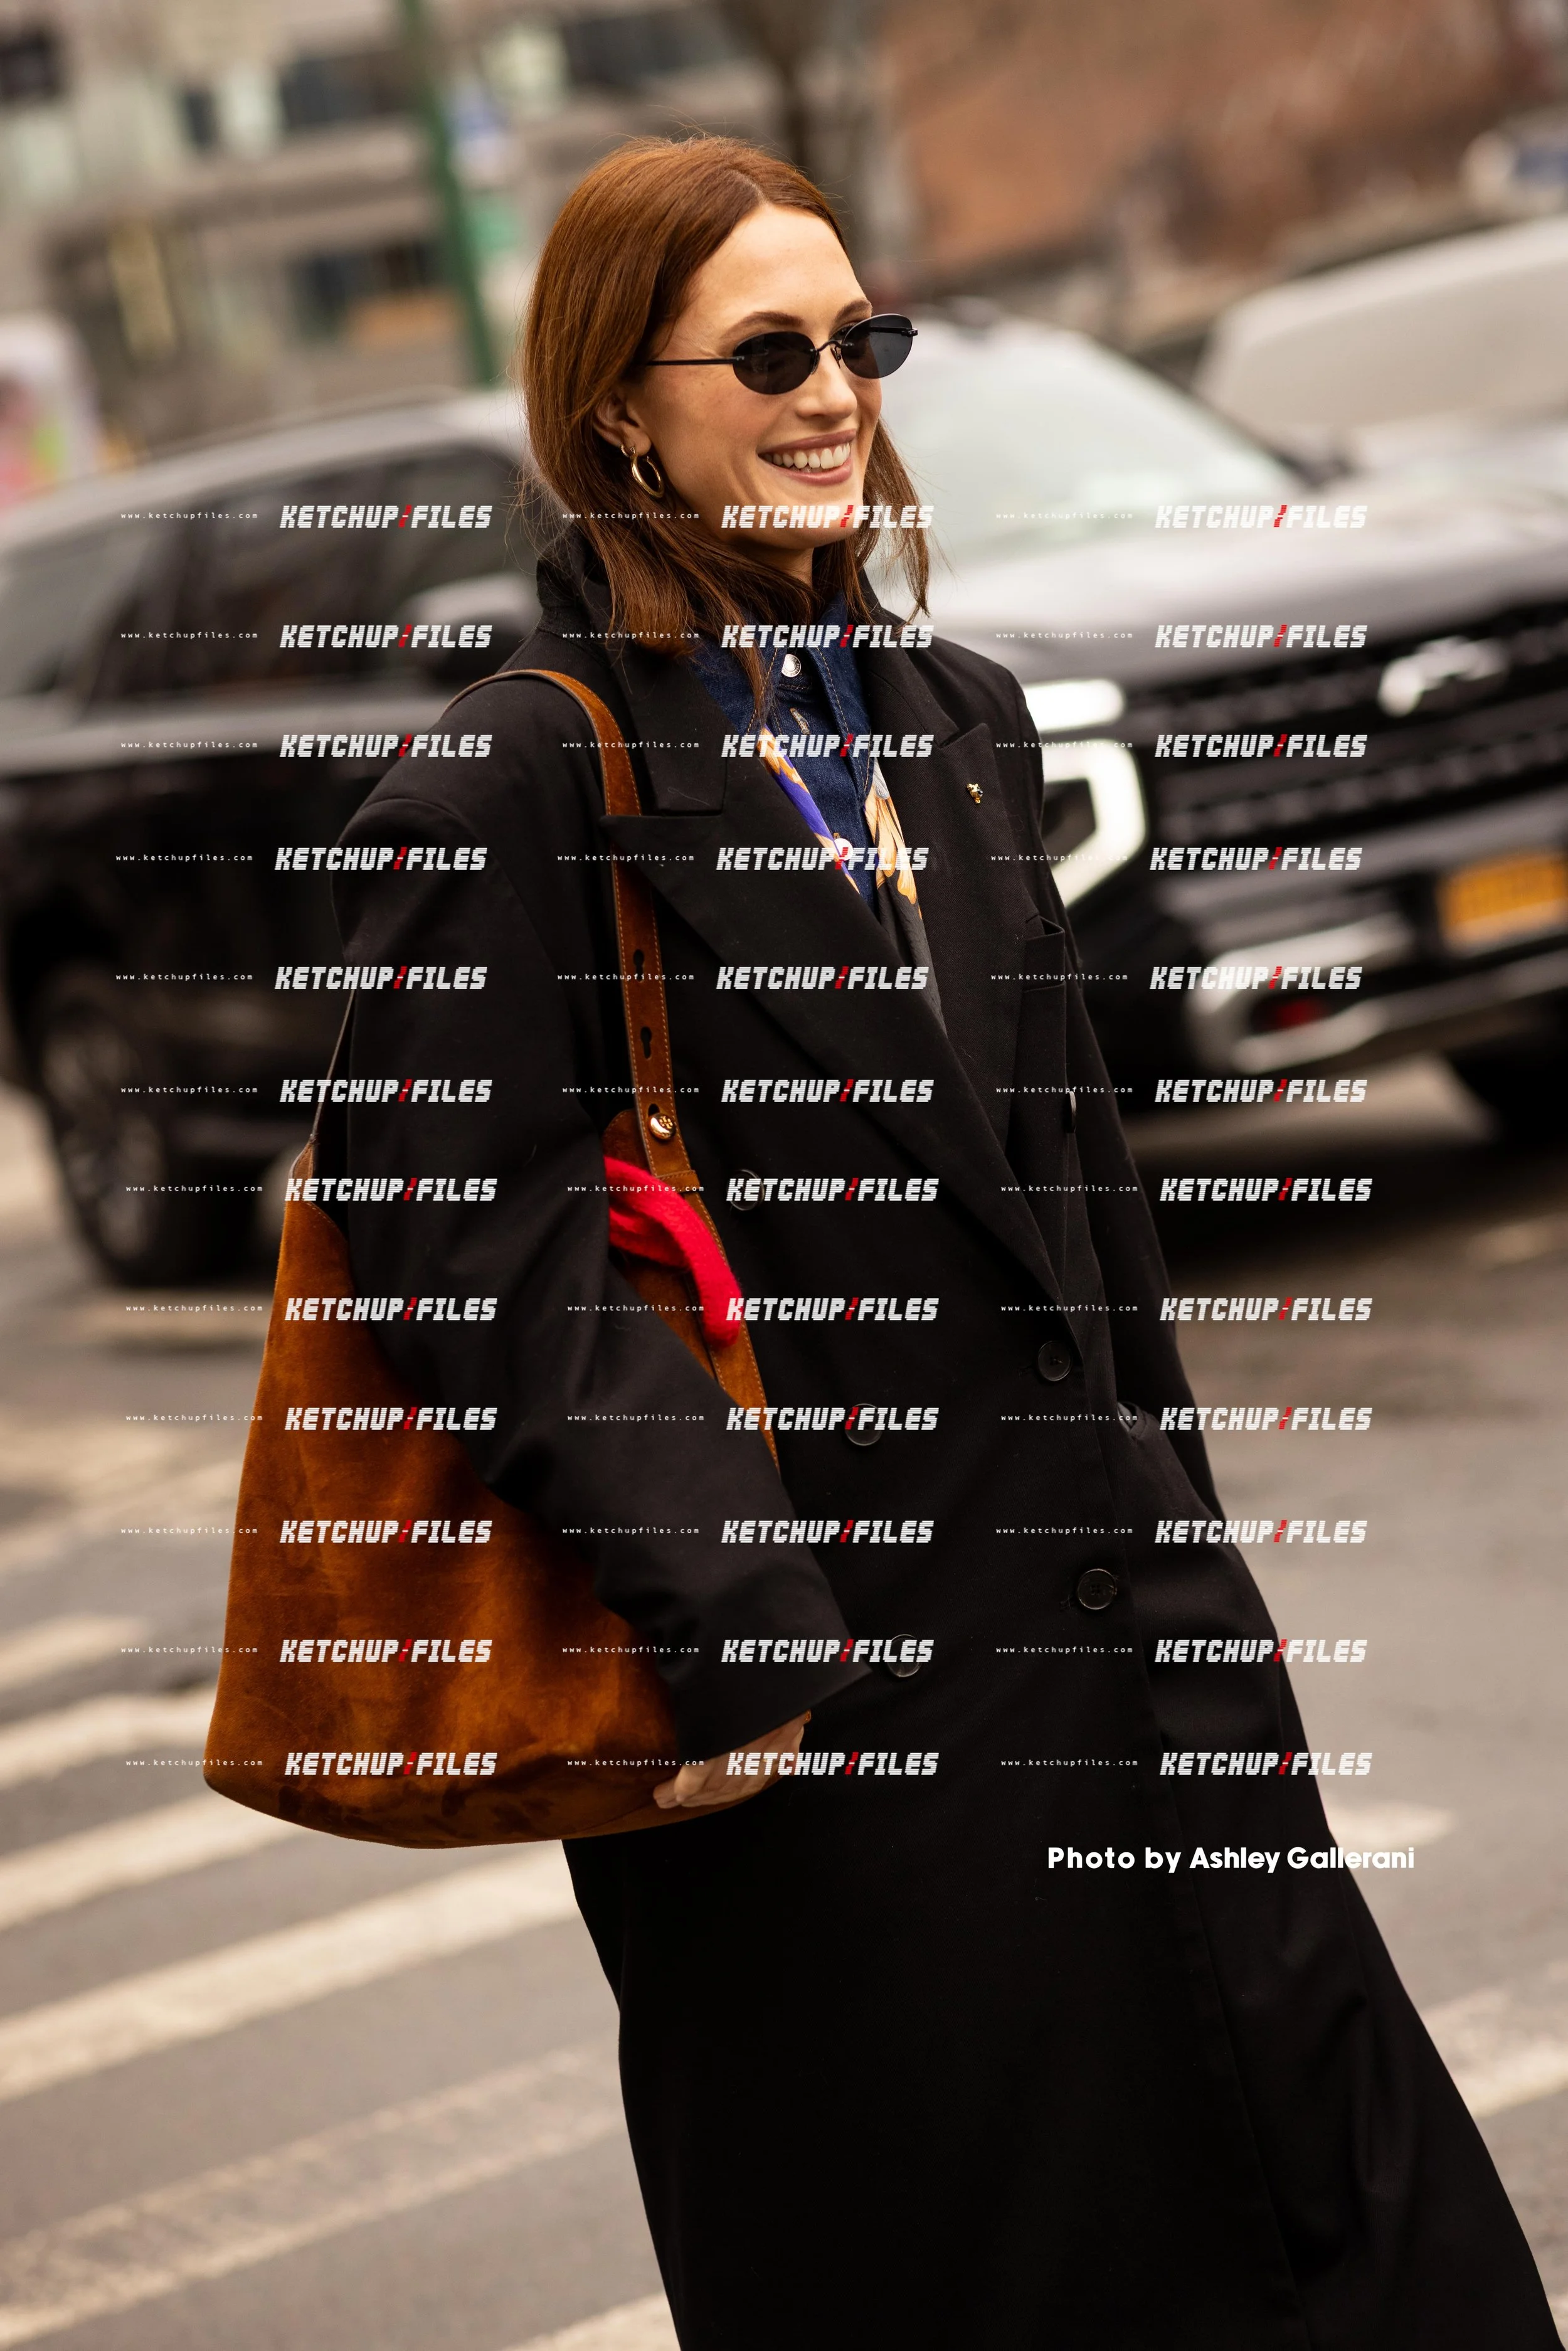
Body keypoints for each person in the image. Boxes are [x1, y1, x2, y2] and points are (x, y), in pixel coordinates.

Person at [321, 134, 1556, 2351]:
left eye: (859, 342)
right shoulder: (513, 787)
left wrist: (1190, 1558)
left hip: (1137, 1662)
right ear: (619, 404)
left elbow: (1075, 1197)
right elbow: (457, 1239)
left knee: (1376, 2253)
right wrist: (744, 1627)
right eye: (770, 351)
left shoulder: (947, 719)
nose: (833, 394)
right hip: (831, 1747)